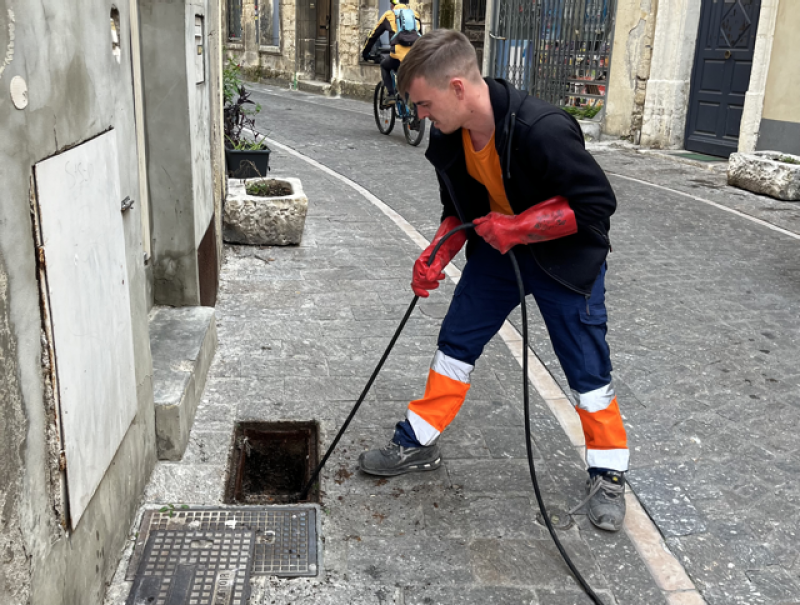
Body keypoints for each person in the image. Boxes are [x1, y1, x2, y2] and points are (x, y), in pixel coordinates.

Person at [358, 29, 629, 532]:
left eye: (424, 103)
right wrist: (436, 255)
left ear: (458, 87)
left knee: (585, 364)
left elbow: (596, 206)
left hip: (565, 259)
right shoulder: (448, 137)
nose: (420, 116)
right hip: (497, 255)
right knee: (455, 342)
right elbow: (457, 210)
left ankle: (608, 471)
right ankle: (417, 440)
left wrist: (518, 227)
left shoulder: (543, 129)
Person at [361, 0, 422, 104]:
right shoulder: (415, 15)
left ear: (393, 5)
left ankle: (391, 95)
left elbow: (373, 36)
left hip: (397, 56)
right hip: (413, 57)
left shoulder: (389, 15)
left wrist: (365, 53)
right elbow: (420, 37)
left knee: (384, 65)